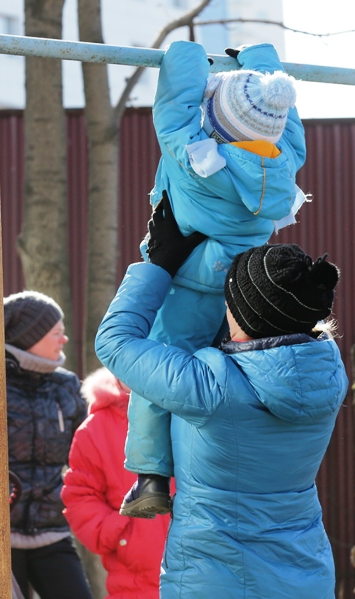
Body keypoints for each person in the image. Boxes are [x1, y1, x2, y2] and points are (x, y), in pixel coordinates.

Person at [95, 197, 348, 598]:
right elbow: (264, 353)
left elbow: (114, 342)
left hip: (217, 580)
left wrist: (158, 267)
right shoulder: (329, 374)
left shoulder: (211, 389)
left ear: (241, 317)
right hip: (304, 576)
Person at [123, 40, 309, 517]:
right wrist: (263, 61)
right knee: (226, 376)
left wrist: (186, 52)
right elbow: (285, 114)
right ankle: (207, 469)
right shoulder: (284, 160)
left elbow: (173, 109)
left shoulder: (198, 161)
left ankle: (150, 475)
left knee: (160, 365)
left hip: (185, 280)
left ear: (218, 124)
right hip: (240, 291)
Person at [0, 291, 92, 599]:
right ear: (29, 336)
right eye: (56, 334)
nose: (63, 341)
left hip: (53, 531)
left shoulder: (67, 386)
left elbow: (87, 453)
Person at [60, 368, 170, 599]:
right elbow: (80, 496)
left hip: (198, 571)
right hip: (134, 581)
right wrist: (120, 532)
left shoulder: (186, 412)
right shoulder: (94, 429)